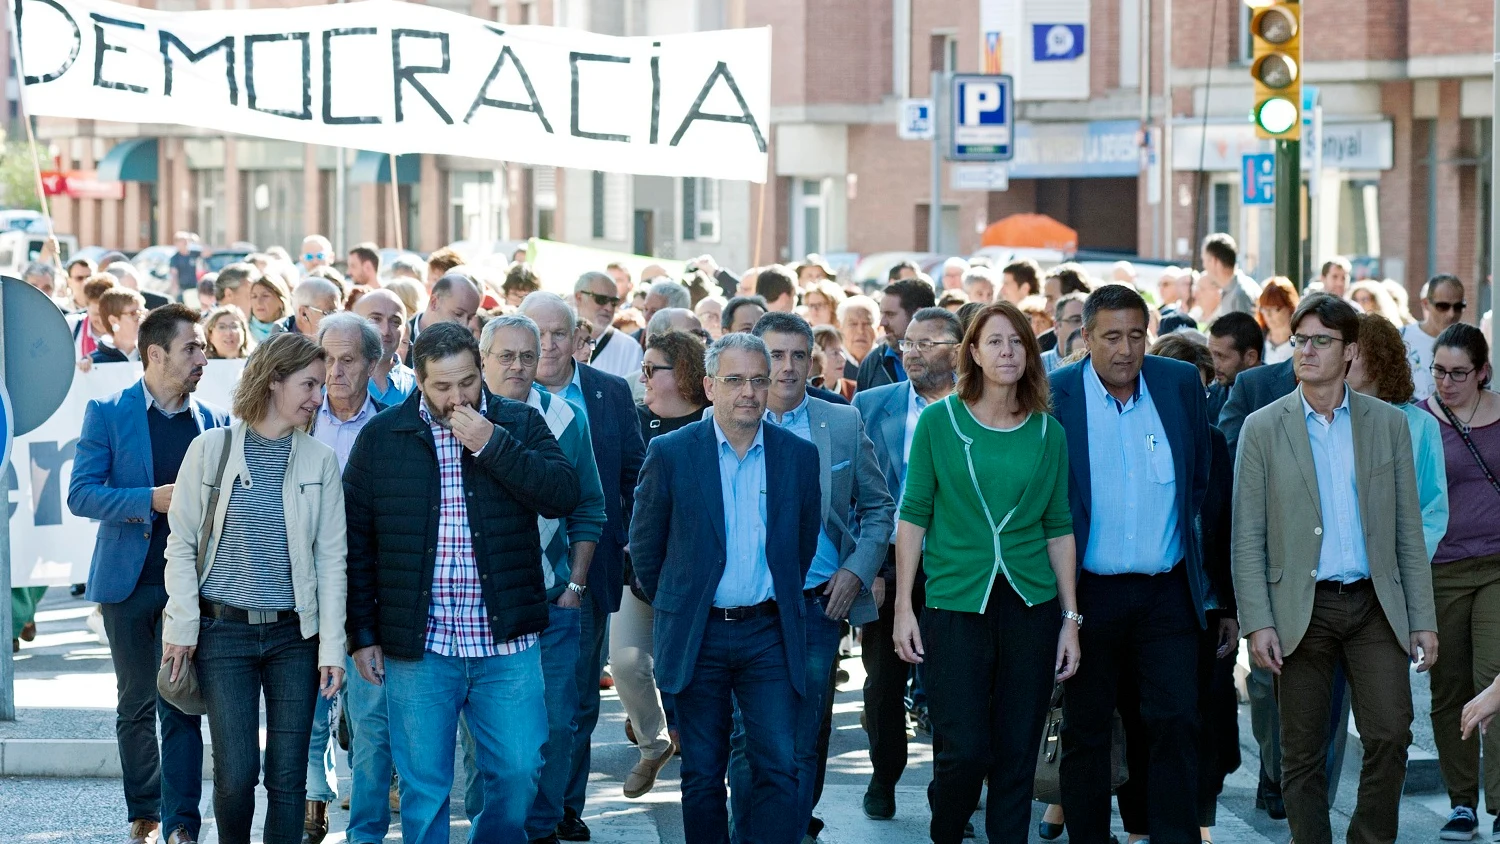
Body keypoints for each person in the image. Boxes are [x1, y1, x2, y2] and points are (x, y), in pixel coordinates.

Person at [343, 321, 581, 844]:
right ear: (419, 382)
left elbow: (562, 493)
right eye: (443, 387)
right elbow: (356, 545)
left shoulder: (517, 422)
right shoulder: (383, 437)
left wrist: (492, 445)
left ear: (480, 371)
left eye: (468, 382)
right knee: (425, 788)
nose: (458, 397)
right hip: (421, 646)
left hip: (506, 642)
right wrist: (362, 635)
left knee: (519, 771)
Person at [1233, 294, 1437, 844]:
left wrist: (1423, 618)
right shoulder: (1262, 427)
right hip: (1302, 608)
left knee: (1392, 733)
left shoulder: (1388, 424)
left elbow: (1407, 532)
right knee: (1300, 751)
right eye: (1300, 340)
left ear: (1350, 351)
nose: (1307, 351)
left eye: (1321, 341)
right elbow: (1246, 536)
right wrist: (1258, 621)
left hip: (1374, 603)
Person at [891, 301, 1078, 843]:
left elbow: (1058, 527)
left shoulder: (1048, 434)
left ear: (1031, 353)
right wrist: (905, 607)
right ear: (971, 351)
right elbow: (913, 516)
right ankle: (946, 833)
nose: (1007, 352)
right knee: (964, 751)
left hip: (1031, 606)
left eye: (1017, 342)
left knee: (1017, 754)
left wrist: (1070, 619)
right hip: (954, 605)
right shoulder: (939, 421)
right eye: (994, 341)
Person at [629, 333, 822, 844]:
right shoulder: (670, 453)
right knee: (701, 776)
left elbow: (798, 550)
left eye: (760, 380)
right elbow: (646, 551)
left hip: (768, 634)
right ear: (711, 386)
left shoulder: (797, 457)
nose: (750, 392)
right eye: (735, 380)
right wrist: (683, 603)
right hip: (700, 635)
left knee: (778, 767)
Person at [157, 333, 346, 844]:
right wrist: (182, 630)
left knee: (288, 778)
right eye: (308, 384)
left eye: (320, 385)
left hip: (294, 639)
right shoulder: (209, 450)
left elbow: (332, 562)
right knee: (237, 775)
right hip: (224, 636)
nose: (317, 397)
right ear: (273, 380)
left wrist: (333, 649)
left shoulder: (320, 460)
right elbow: (180, 546)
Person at [1051, 284, 1213, 844]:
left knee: (1174, 722)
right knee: (1088, 731)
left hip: (1165, 592)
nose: (1126, 349)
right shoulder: (1057, 395)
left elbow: (1199, 482)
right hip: (1086, 595)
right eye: (1112, 336)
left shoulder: (1179, 384)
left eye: (1137, 335)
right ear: (1085, 339)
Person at [731, 312, 895, 839]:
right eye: (774, 355)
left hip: (818, 603)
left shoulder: (840, 422)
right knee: (746, 737)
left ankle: (790, 829)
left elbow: (877, 507)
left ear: (814, 361)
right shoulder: (729, 419)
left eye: (798, 355)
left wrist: (857, 569)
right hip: (745, 604)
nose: (787, 367)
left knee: (803, 736)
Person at [68, 304, 227, 844]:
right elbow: (81, 493)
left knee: (181, 702)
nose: (203, 358)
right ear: (155, 353)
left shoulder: (215, 422)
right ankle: (145, 812)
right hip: (127, 584)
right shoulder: (107, 411)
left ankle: (182, 823)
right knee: (136, 702)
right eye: (193, 348)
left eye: (204, 347)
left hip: (192, 587)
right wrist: (149, 500)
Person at [518, 292, 645, 842]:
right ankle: (521, 805)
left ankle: (565, 805)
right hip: (514, 575)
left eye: (558, 334)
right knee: (518, 696)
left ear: (579, 339)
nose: (547, 346)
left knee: (576, 699)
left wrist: (618, 543)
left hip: (585, 571)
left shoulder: (609, 392)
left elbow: (633, 476)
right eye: (536, 335)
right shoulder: (500, 393)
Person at [479, 314, 609, 842]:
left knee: (557, 725)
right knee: (488, 740)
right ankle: (495, 828)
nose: (517, 366)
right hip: (483, 609)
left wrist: (575, 587)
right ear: (482, 358)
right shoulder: (457, 419)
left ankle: (541, 829)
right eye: (505, 356)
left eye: (527, 356)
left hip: (554, 603)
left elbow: (591, 507)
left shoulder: (566, 417)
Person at [1126, 333, 1242, 844]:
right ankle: (1137, 824)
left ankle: (1198, 819)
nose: (1188, 404)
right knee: (1139, 716)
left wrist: (1233, 608)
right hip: (1146, 600)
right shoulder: (1131, 435)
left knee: (1203, 721)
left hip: (1206, 604)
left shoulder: (1216, 443)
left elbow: (1230, 530)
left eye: (1198, 391)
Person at [850, 306, 962, 820]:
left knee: (953, 684)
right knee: (883, 682)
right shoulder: (873, 404)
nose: (909, 352)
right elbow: (856, 493)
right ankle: (884, 775)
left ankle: (952, 789)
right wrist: (869, 566)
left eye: (925, 344)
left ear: (960, 350)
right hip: (891, 566)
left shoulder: (980, 409)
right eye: (907, 343)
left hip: (959, 565)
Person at [614, 329, 710, 793]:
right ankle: (653, 744)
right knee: (626, 663)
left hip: (696, 577)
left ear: (686, 373)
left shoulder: (716, 421)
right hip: (638, 571)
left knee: (692, 674)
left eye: (653, 369)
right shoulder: (631, 421)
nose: (643, 377)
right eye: (643, 367)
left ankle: (703, 759)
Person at [1422, 323, 1500, 841]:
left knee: (1494, 677)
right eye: (1439, 371)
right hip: (1441, 569)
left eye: (1458, 373)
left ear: (1483, 372)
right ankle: (1461, 802)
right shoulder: (1419, 419)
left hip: (1496, 565)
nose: (1446, 383)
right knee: (1448, 686)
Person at [858, 278, 937, 392]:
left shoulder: (947, 359)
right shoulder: (874, 362)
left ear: (919, 315)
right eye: (882, 314)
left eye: (890, 314)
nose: (882, 322)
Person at [1403, 274, 1467, 401]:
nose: (1451, 314)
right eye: (1443, 306)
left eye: (1458, 307)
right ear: (1426, 304)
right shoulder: (1402, 338)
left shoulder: (1468, 343)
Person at [573, 270, 642, 381]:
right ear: (579, 297)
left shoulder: (630, 349)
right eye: (601, 299)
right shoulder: (556, 340)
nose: (609, 308)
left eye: (614, 302)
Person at [353, 288, 417, 404]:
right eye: (376, 319)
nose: (385, 331)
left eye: (395, 322)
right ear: (354, 324)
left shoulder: (417, 387)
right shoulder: (334, 380)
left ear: (404, 331)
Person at [407, 272, 482, 361]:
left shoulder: (469, 351)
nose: (465, 324)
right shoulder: (399, 339)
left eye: (470, 318)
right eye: (458, 314)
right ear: (434, 303)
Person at [1206, 312, 1264, 421]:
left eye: (1221, 356)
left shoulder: (1279, 394)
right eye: (1210, 354)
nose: (1213, 364)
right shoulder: (1210, 397)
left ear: (1251, 357)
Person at [1200, 233, 1260, 319]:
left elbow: (1245, 332)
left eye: (1204, 260)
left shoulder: (1240, 294)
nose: (1204, 266)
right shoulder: (1233, 290)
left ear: (1214, 261)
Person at [92, 288, 148, 363]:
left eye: (142, 313)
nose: (140, 319)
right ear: (113, 321)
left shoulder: (152, 359)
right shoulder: (94, 362)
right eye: (133, 313)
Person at [1039, 293, 1087, 374]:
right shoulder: (1039, 365)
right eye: (1076, 320)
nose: (1083, 326)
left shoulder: (1101, 362)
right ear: (1057, 326)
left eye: (1088, 321)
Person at [1257, 276, 1299, 365]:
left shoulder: (1299, 340)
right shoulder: (1258, 340)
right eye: (1264, 308)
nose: (1268, 315)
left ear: (1290, 307)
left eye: (1274, 308)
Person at [836, 295, 880, 379]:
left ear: (878, 328)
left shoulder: (887, 361)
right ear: (840, 328)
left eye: (867, 324)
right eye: (853, 324)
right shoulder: (829, 363)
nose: (860, 330)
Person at [812, 325, 856, 400]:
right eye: (835, 353)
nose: (842, 359)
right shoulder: (805, 393)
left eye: (842, 351)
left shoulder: (854, 390)